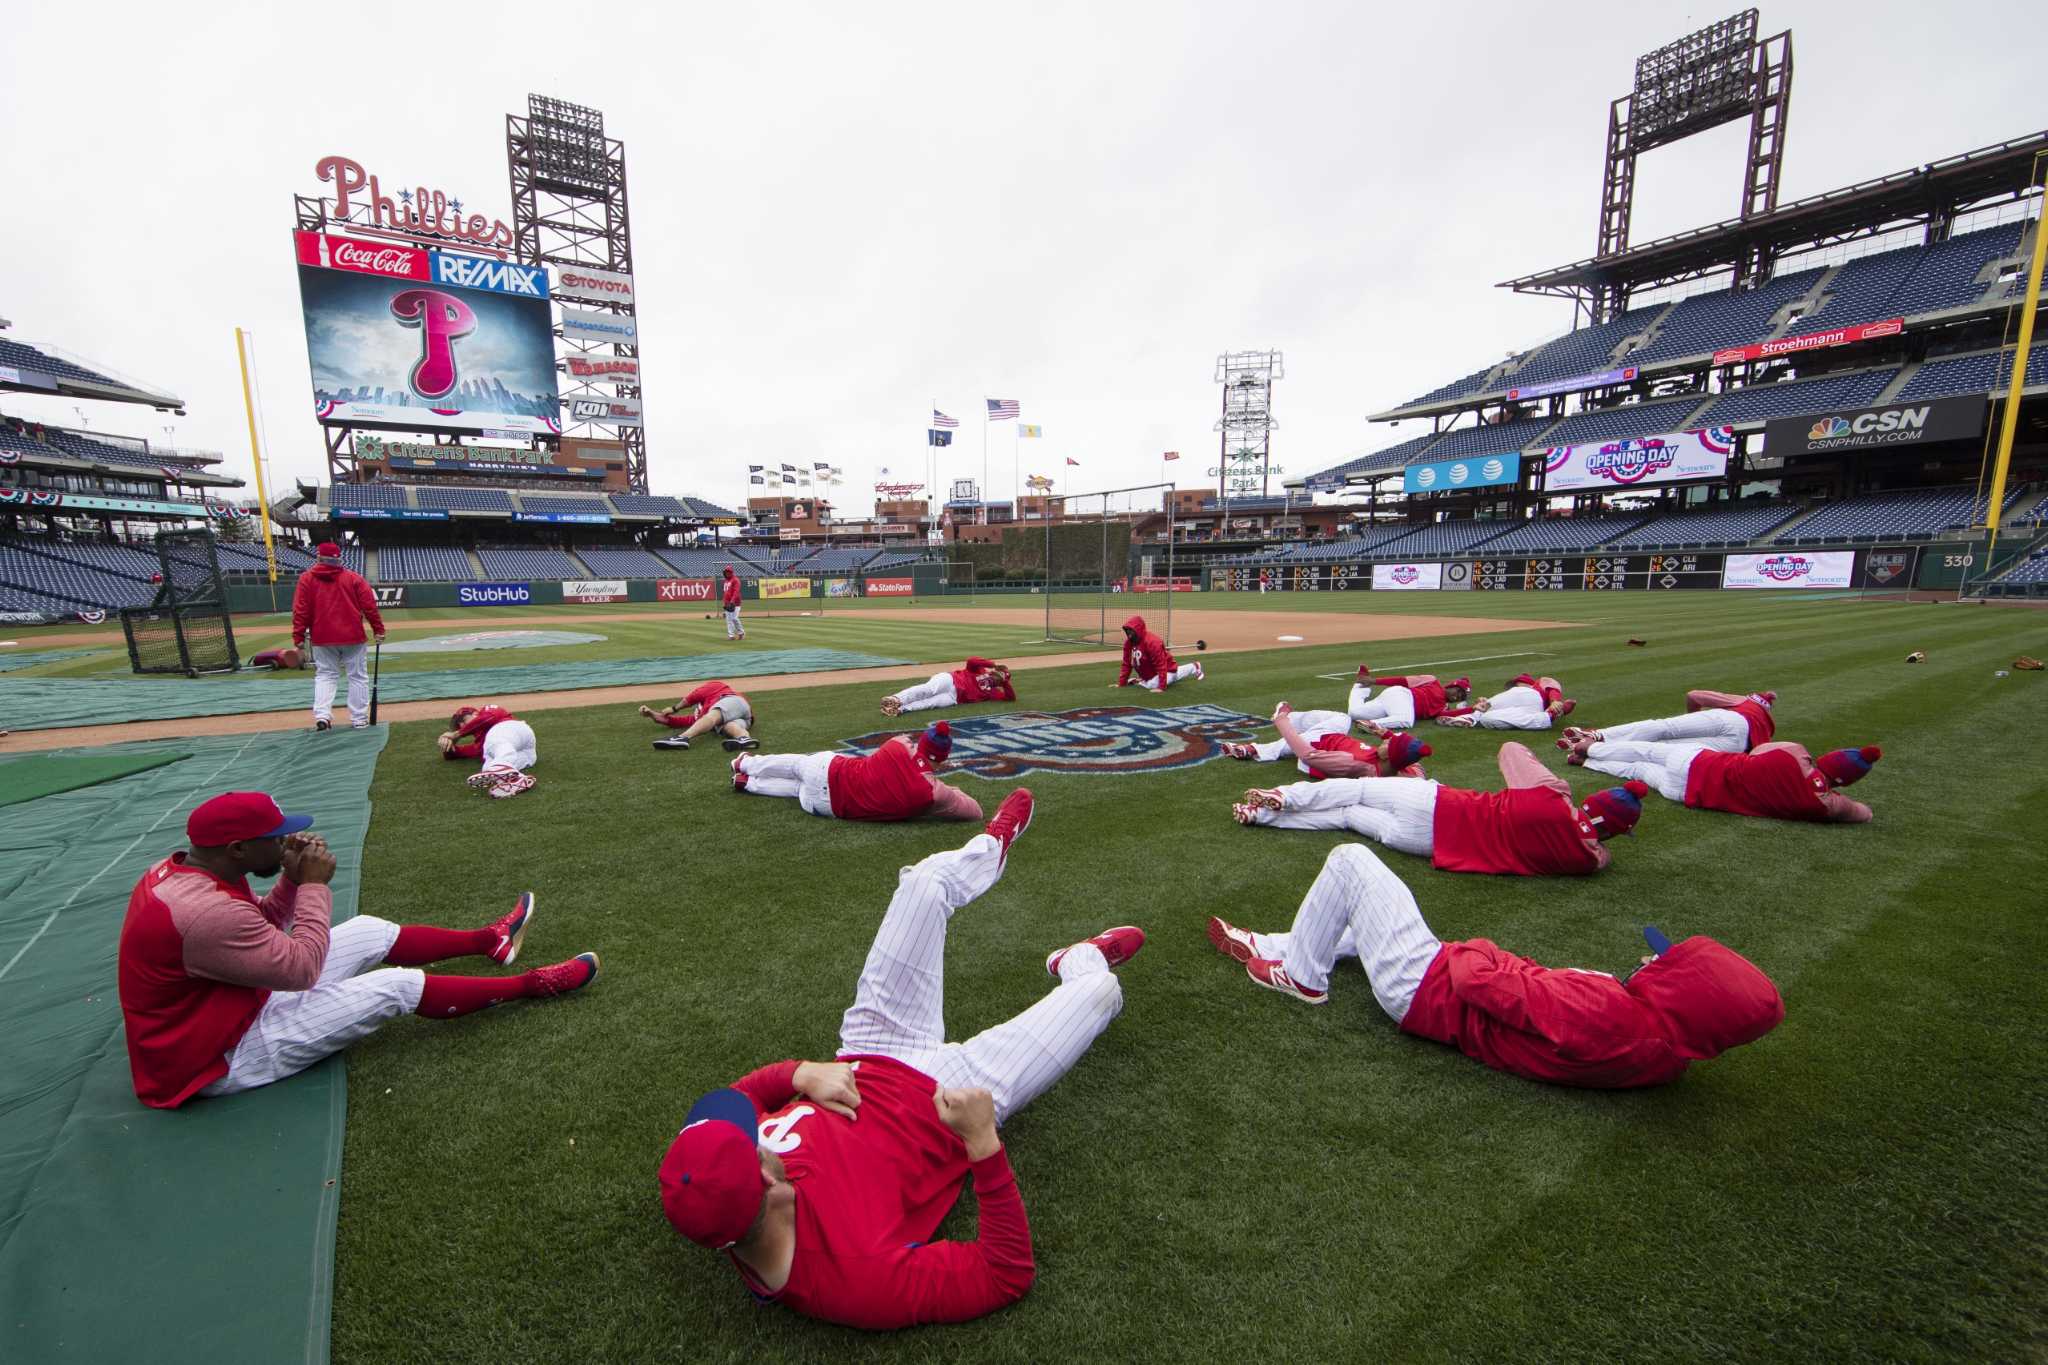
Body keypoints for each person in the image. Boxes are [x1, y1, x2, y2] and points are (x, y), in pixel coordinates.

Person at [657, 790, 1145, 1328]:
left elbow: (740, 1095)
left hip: (869, 1047)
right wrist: (982, 1144)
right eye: (751, 1141)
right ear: (767, 1186)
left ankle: (992, 846)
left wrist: (799, 1073)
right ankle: (1082, 957)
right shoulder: (855, 1280)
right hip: (948, 1102)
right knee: (1099, 994)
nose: (750, 1129)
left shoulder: (704, 1181)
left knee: (922, 883)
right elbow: (1005, 1273)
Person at [116, 791, 599, 1110]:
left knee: (368, 930)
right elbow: (301, 967)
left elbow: (256, 929)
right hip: (217, 1057)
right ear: (238, 848)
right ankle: (532, 987)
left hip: (227, 1005)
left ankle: (487, 940)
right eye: (276, 837)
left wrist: (286, 876)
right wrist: (309, 886)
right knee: (396, 985)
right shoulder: (205, 911)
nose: (288, 839)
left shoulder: (192, 868)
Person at [1203, 844, 1784, 1087]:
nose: (1648, 959)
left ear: (1691, 998)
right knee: (1361, 924)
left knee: (1352, 861)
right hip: (1439, 996)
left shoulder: (1610, 1011)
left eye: (1665, 966)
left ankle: (1301, 976)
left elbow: (1477, 979)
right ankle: (1276, 942)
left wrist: (1481, 947)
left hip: (1427, 991)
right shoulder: (1666, 1055)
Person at [1234, 740, 1645, 876]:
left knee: (1350, 792)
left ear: (1592, 801)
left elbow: (1512, 750)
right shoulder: (1586, 859)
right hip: (1422, 844)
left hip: (1436, 803)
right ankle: (1263, 816)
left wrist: (1560, 788)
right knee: (1344, 817)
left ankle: (1285, 798)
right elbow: (1600, 854)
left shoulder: (1551, 797)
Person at [1571, 734, 1879, 824]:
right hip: (1687, 793)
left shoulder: (1794, 753)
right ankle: (1587, 763)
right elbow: (1860, 813)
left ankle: (1592, 747)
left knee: (1646, 751)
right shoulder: (1822, 804)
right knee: (1638, 771)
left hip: (1698, 761)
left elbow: (1761, 749)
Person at [733, 722, 984, 822]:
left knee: (798, 765)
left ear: (923, 743)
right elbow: (975, 811)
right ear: (941, 758)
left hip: (828, 772)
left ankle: (745, 764)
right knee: (798, 789)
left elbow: (908, 747)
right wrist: (950, 791)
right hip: (826, 808)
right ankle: (749, 783)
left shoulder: (898, 744)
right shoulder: (933, 793)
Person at [289, 541, 385, 731]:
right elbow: (369, 607)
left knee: (325, 675)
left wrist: (298, 636)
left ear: (318, 558)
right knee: (357, 677)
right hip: (353, 636)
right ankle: (359, 718)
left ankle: (323, 716)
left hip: (322, 636)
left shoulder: (307, 579)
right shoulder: (353, 578)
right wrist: (378, 629)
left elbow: (301, 610)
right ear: (339, 559)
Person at [1226, 701, 1430, 780]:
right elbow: (1412, 755)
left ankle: (1256, 748)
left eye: (1388, 745)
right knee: (1342, 719)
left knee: (1309, 735)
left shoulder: (1353, 764)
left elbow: (1307, 755)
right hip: (1333, 737)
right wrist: (1383, 732)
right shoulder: (1408, 769)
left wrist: (1282, 722)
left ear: (1389, 756)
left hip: (1319, 747)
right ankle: (1293, 721)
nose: (1385, 743)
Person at [1559, 688, 1776, 755]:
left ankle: (1597, 735)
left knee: (1663, 727)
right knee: (1663, 749)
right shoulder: (1768, 726)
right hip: (1739, 747)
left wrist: (1693, 718)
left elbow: (1694, 696)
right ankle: (1592, 749)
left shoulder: (1743, 702)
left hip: (1730, 720)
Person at [438, 704, 539, 798]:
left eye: (463, 720)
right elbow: (453, 755)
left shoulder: (487, 711)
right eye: (459, 725)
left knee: (495, 740)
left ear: (475, 714)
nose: (462, 726)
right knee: (487, 767)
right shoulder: (480, 746)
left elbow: (491, 716)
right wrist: (449, 742)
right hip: (528, 755)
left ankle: (500, 766)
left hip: (514, 730)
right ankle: (518, 780)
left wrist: (457, 733)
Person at [640, 680, 759, 751]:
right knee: (729, 726)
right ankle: (745, 739)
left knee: (713, 715)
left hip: (733, 701)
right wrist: (651, 714)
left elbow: (693, 696)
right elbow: (676, 722)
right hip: (745, 718)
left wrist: (674, 708)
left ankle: (682, 738)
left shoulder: (716, 686)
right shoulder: (700, 718)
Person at [1346, 667, 1470, 732]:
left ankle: (1359, 684)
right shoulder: (1432, 680)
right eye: (1459, 691)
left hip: (1396, 706)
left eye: (1462, 696)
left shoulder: (1443, 708)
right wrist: (1374, 681)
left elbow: (1450, 714)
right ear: (1452, 685)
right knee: (1406, 720)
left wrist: (1473, 708)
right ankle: (1372, 724)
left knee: (1355, 713)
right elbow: (1402, 680)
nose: (1458, 696)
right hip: (1401, 695)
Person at [882, 658, 1017, 717]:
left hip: (953, 697)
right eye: (998, 674)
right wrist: (992, 664)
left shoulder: (993, 693)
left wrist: (1005, 683)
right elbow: (971, 660)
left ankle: (899, 709)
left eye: (1001, 678)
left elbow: (1011, 698)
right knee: (928, 690)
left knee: (930, 703)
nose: (997, 677)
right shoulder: (980, 670)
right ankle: (895, 699)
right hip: (950, 680)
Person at [1435, 673, 1573, 730]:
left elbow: (1552, 688)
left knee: (1485, 707)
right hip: (1534, 710)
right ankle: (1471, 719)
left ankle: (1470, 716)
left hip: (1530, 697)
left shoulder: (1534, 686)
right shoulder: (1514, 692)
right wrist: (1558, 705)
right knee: (1487, 718)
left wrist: (1555, 701)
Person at [1113, 614, 1202, 692]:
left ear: (1138, 629)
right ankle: (1194, 666)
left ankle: (1194, 666)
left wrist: (1161, 687)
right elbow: (1126, 664)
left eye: (1131, 630)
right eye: (1127, 630)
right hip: (1150, 673)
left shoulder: (1152, 642)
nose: (1129, 633)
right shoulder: (1128, 643)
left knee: (1153, 684)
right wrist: (1122, 683)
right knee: (1151, 682)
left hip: (1167, 669)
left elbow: (1161, 665)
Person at [721, 566, 744, 640]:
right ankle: (731, 636)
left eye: (728, 572)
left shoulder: (735, 580)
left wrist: (732, 602)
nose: (726, 573)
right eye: (726, 572)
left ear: (731, 572)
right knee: (728, 619)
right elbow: (725, 593)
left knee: (734, 618)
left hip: (735, 603)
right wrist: (725, 603)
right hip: (728, 602)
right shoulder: (726, 581)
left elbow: (736, 592)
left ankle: (741, 632)